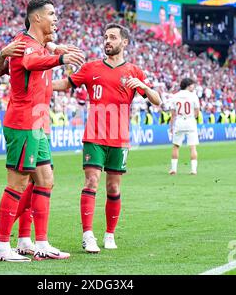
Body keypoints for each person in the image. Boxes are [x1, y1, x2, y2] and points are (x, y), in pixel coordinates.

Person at [53, 23, 161, 253]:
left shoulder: (134, 72)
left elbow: (157, 100)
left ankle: (110, 234)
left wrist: (142, 85)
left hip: (119, 138)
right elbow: (65, 84)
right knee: (91, 181)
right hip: (94, 135)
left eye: (112, 37)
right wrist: (39, 86)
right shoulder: (91, 68)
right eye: (105, 37)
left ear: (124, 43)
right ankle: (88, 235)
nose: (107, 41)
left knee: (113, 187)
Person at [0, 0, 84, 262]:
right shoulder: (24, 45)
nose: (56, 18)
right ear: (37, 18)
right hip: (23, 122)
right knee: (18, 183)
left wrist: (55, 48)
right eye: (52, 14)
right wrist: (60, 57)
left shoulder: (40, 44)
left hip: (39, 123)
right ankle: (1, 246)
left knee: (45, 180)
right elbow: (31, 63)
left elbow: (41, 51)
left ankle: (38, 242)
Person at [169, 78, 200, 176]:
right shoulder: (193, 96)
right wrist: (192, 117)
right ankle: (193, 170)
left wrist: (171, 126)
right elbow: (197, 112)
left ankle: (174, 169)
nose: (193, 86)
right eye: (192, 85)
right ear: (188, 85)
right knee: (192, 147)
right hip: (190, 121)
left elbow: (173, 114)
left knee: (176, 146)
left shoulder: (175, 96)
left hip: (179, 121)